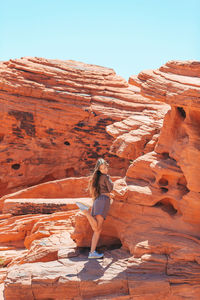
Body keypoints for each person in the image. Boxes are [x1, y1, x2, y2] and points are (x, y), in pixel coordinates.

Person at [76, 158, 114, 259]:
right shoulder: (105, 177)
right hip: (103, 201)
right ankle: (86, 212)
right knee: (97, 228)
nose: (105, 170)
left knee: (97, 230)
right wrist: (109, 179)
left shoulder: (97, 178)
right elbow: (111, 189)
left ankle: (92, 253)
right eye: (102, 169)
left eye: (105, 167)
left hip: (98, 200)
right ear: (99, 170)